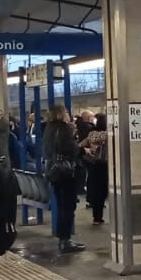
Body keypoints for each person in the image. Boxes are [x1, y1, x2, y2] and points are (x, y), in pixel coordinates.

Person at [41, 106, 86, 254]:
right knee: (68, 206)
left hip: (53, 171)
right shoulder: (64, 129)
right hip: (65, 171)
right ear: (61, 114)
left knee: (61, 205)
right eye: (66, 112)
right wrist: (82, 150)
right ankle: (65, 240)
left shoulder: (48, 128)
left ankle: (62, 239)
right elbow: (70, 149)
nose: (68, 114)